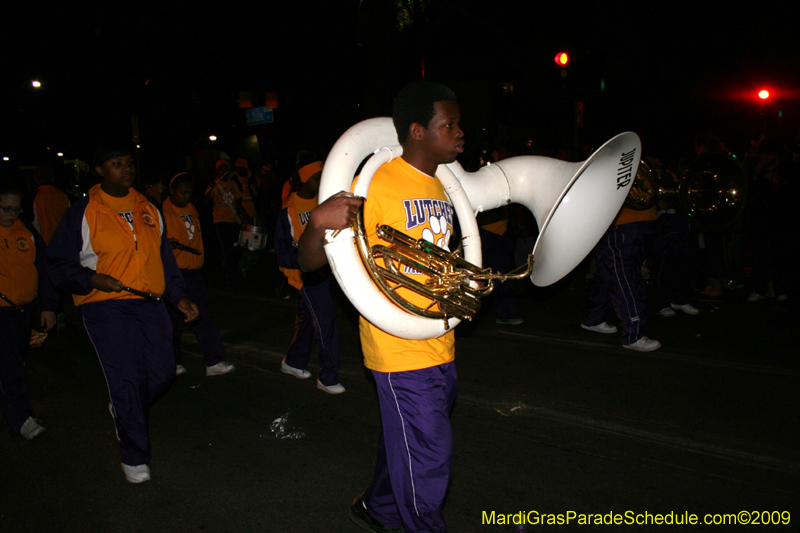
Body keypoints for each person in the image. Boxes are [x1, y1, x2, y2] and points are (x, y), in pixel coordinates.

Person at [299, 80, 464, 532]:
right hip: (397, 348)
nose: (459, 132)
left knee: (409, 444)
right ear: (416, 130)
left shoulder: (446, 187)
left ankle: (378, 507)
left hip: (440, 340)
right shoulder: (372, 182)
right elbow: (309, 261)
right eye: (448, 124)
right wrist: (317, 224)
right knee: (429, 457)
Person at [47, 146, 199, 483]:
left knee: (162, 372)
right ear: (100, 170)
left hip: (152, 302)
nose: (125, 169)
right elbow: (57, 263)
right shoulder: (82, 212)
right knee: (127, 377)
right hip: (105, 306)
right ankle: (134, 456)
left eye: (129, 163)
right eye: (116, 164)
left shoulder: (148, 207)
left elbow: (164, 260)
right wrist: (89, 278)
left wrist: (178, 296)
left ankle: (125, 407)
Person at [275, 157, 344, 394]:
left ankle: (293, 362)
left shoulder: (323, 200)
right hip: (306, 276)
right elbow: (283, 250)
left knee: (308, 319)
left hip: (324, 270)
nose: (322, 180)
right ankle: (328, 377)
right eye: (317, 177)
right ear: (304, 180)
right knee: (325, 323)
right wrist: (306, 262)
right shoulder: (289, 209)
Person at [162, 172, 235, 377]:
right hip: (175, 275)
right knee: (173, 321)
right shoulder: (162, 213)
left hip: (194, 272)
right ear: (172, 191)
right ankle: (172, 362)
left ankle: (214, 361)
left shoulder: (191, 208)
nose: (186, 197)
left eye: (189, 193)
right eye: (182, 193)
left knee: (201, 316)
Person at [0, 183, 57, 440]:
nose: (12, 214)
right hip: (1, 311)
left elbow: (43, 269)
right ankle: (22, 419)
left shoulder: (27, 231)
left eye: (17, 209)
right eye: (7, 209)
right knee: (11, 365)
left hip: (24, 309)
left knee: (17, 360)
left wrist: (48, 306)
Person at [581, 199, 661, 352]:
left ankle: (593, 318)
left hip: (642, 221)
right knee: (625, 277)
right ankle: (634, 334)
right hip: (621, 223)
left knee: (611, 274)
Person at [204, 159, 248, 287]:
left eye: (225, 167)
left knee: (237, 248)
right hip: (220, 221)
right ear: (217, 170)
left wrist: (249, 219)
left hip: (234, 220)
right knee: (227, 249)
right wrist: (208, 191)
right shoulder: (213, 185)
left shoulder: (233, 184)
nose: (223, 170)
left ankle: (230, 270)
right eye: (221, 168)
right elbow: (205, 205)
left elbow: (238, 205)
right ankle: (231, 276)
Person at [31, 166, 71, 245]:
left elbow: (35, 223)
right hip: (63, 241)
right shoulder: (63, 196)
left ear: (36, 179)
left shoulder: (34, 197)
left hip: (43, 243)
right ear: (52, 178)